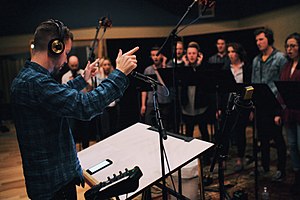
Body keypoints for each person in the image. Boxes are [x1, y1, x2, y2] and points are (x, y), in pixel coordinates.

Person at [10, 19, 139, 199]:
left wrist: (83, 78)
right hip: (55, 186)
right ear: (55, 48)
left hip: (50, 181)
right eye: (67, 52)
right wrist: (119, 74)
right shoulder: (36, 83)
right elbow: (84, 106)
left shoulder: (29, 78)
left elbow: (58, 95)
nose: (65, 58)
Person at [251, 28, 287, 181]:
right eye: (257, 40)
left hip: (275, 104)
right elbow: (253, 83)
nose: (258, 43)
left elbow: (284, 84)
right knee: (262, 138)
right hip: (260, 104)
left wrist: (280, 110)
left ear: (269, 39)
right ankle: (264, 166)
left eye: (261, 39)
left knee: (278, 139)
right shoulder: (256, 60)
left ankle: (281, 169)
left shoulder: (280, 58)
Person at [219, 42, 252, 172]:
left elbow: (249, 87)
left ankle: (240, 157)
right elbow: (222, 90)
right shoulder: (226, 68)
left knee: (240, 132)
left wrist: (250, 108)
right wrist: (220, 107)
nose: (231, 55)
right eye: (229, 52)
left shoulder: (247, 67)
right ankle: (223, 158)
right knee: (224, 132)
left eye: (233, 52)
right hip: (228, 103)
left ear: (238, 53)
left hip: (242, 104)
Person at [274, 32, 300, 193]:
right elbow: (281, 91)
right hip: (289, 113)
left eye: (293, 46)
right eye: (287, 46)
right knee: (292, 145)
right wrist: (278, 112)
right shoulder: (286, 66)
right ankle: (297, 176)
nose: (289, 49)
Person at [62, 55, 92, 149]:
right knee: (73, 131)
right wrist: (72, 83)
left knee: (85, 131)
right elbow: (64, 93)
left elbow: (90, 88)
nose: (74, 67)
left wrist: (84, 81)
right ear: (69, 65)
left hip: (84, 105)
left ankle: (86, 149)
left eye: (76, 65)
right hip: (72, 108)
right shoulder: (66, 76)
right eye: (72, 65)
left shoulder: (84, 73)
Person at [140, 46, 173, 131]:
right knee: (149, 125)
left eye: (157, 55)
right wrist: (143, 105)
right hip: (152, 102)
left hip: (165, 101)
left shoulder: (167, 67)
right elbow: (144, 89)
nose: (155, 57)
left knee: (166, 126)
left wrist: (164, 65)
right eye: (153, 55)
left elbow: (166, 84)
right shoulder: (148, 70)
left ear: (161, 55)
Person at [96, 57, 121, 139]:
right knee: (105, 130)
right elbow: (100, 89)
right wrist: (102, 75)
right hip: (104, 107)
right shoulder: (98, 77)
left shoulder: (113, 76)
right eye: (104, 65)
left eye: (108, 64)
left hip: (114, 105)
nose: (107, 66)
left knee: (114, 129)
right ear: (101, 66)